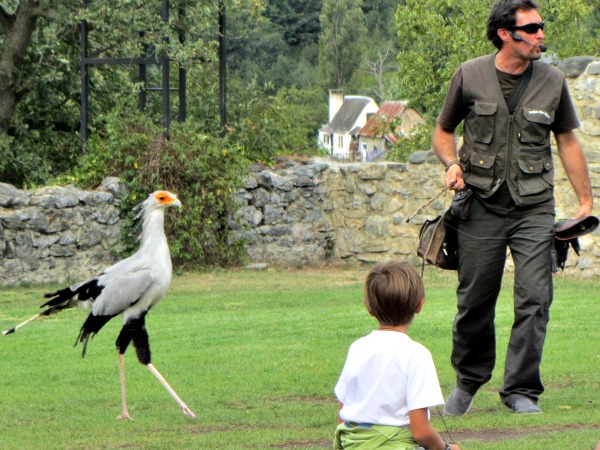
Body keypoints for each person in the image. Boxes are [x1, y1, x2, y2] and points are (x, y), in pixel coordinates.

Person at [432, 0, 593, 416]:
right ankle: (467, 383)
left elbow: (568, 142)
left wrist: (586, 201)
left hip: (534, 207)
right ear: (507, 33)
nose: (542, 34)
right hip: (480, 206)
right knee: (474, 300)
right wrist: (451, 164)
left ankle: (521, 390)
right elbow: (443, 131)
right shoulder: (469, 75)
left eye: (542, 26)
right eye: (534, 27)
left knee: (535, 299)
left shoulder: (553, 81)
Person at [334, 260, 460, 450]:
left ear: (369, 308)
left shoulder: (357, 348)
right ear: (420, 305)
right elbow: (420, 431)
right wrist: (447, 448)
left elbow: (343, 413)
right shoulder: (417, 355)